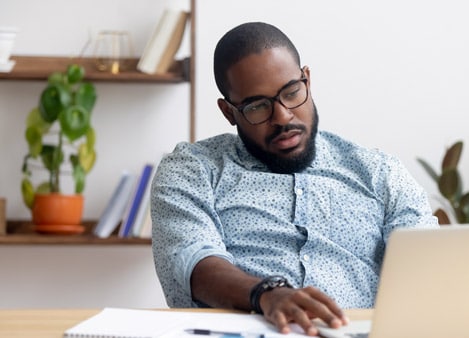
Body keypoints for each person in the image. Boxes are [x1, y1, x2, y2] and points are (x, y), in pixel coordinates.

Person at [151, 22, 438, 336]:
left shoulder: (379, 172)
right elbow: (192, 259)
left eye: (291, 93)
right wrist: (267, 294)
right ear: (229, 112)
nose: (283, 117)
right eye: (257, 106)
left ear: (308, 80)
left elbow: (425, 260)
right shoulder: (193, 170)